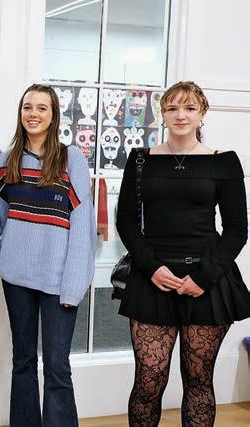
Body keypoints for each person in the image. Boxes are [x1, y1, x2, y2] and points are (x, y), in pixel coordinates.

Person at [116, 81, 250, 426]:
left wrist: (203, 277)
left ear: (202, 113)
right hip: (152, 279)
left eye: (189, 108)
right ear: (162, 113)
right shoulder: (141, 160)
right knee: (148, 382)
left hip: (207, 283)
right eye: (172, 108)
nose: (180, 115)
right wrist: (151, 267)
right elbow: (126, 221)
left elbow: (236, 229)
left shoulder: (224, 163)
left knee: (199, 381)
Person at [0, 84, 96, 426]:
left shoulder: (71, 159)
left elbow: (81, 228)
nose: (33, 114)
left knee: (57, 366)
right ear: (20, 112)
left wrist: (73, 287)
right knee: (22, 361)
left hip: (58, 281)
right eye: (28, 107)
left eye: (42, 108)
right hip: (16, 279)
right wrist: (4, 256)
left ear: (54, 116)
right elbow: (2, 219)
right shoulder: (5, 160)